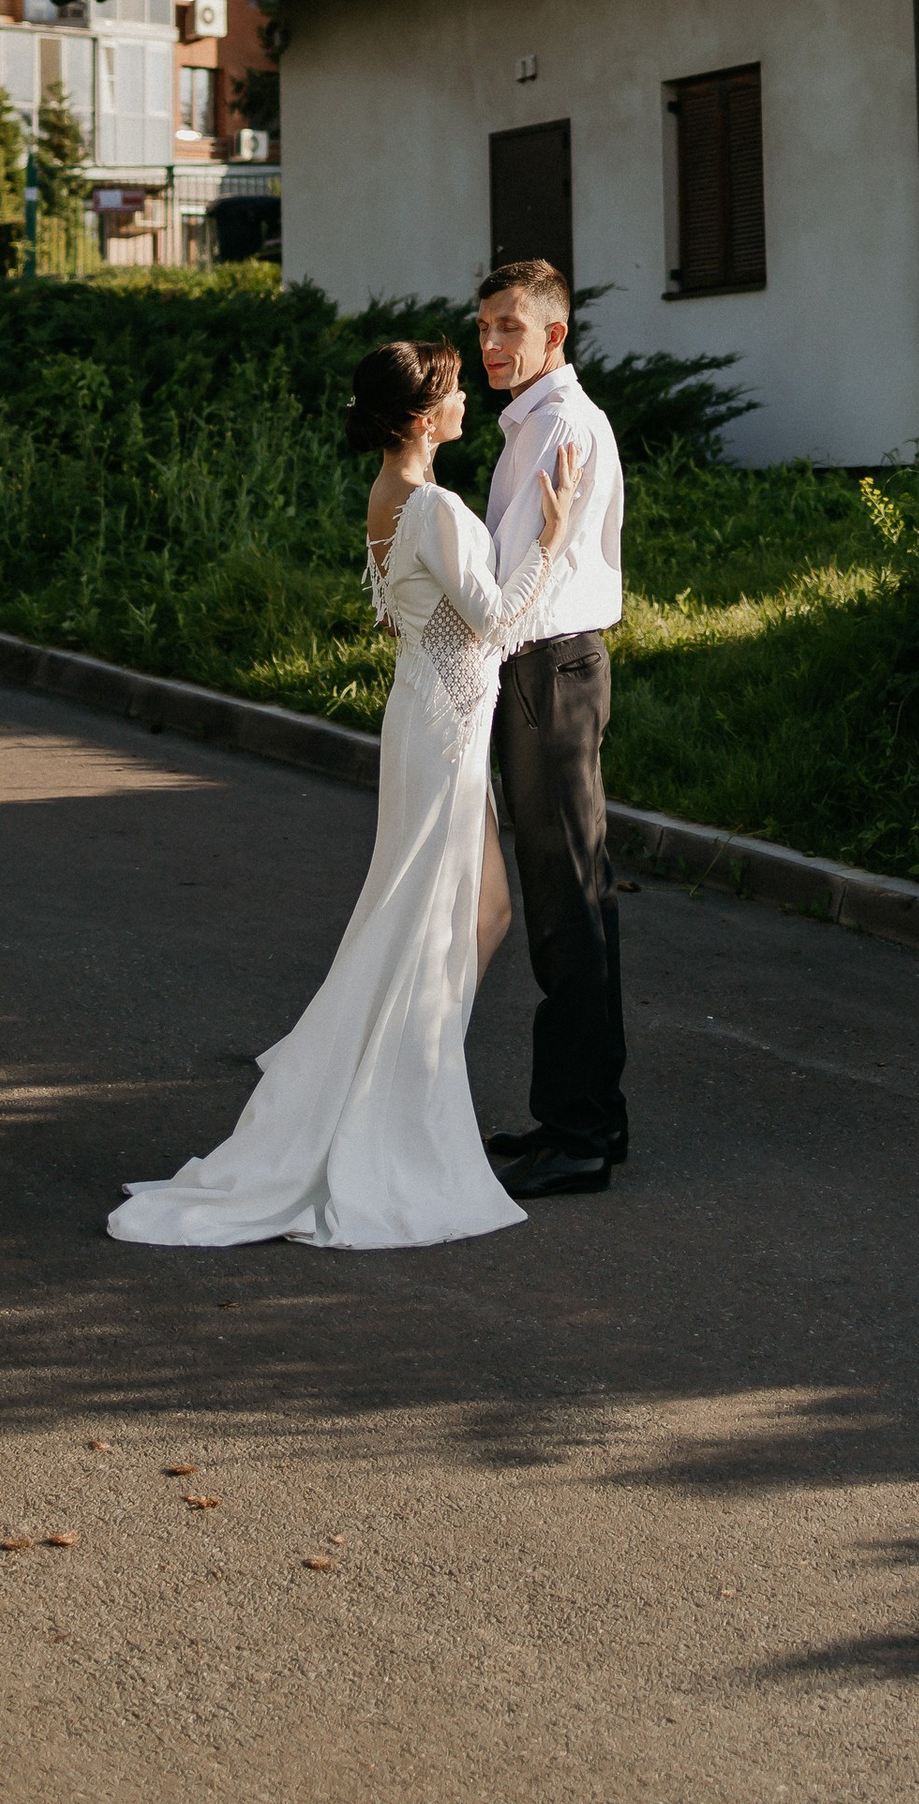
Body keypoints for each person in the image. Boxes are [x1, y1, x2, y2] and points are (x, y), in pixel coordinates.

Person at [106, 338, 580, 1250]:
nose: (466, 402)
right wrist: (552, 543)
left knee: (483, 915)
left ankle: (404, 1069)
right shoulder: (431, 505)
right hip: (441, 734)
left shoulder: (390, 494)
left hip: (433, 721)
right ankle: (391, 1089)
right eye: (454, 392)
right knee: (426, 918)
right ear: (424, 417)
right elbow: (496, 623)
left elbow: (410, 618)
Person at [472, 257, 628, 1201]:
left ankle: (579, 1136)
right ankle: (588, 1116)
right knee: (571, 897)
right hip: (548, 669)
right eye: (484, 328)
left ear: (554, 335)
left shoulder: (561, 424)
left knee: (567, 904)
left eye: (510, 328)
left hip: (551, 671)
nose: (491, 345)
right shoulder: (532, 421)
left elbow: (505, 578)